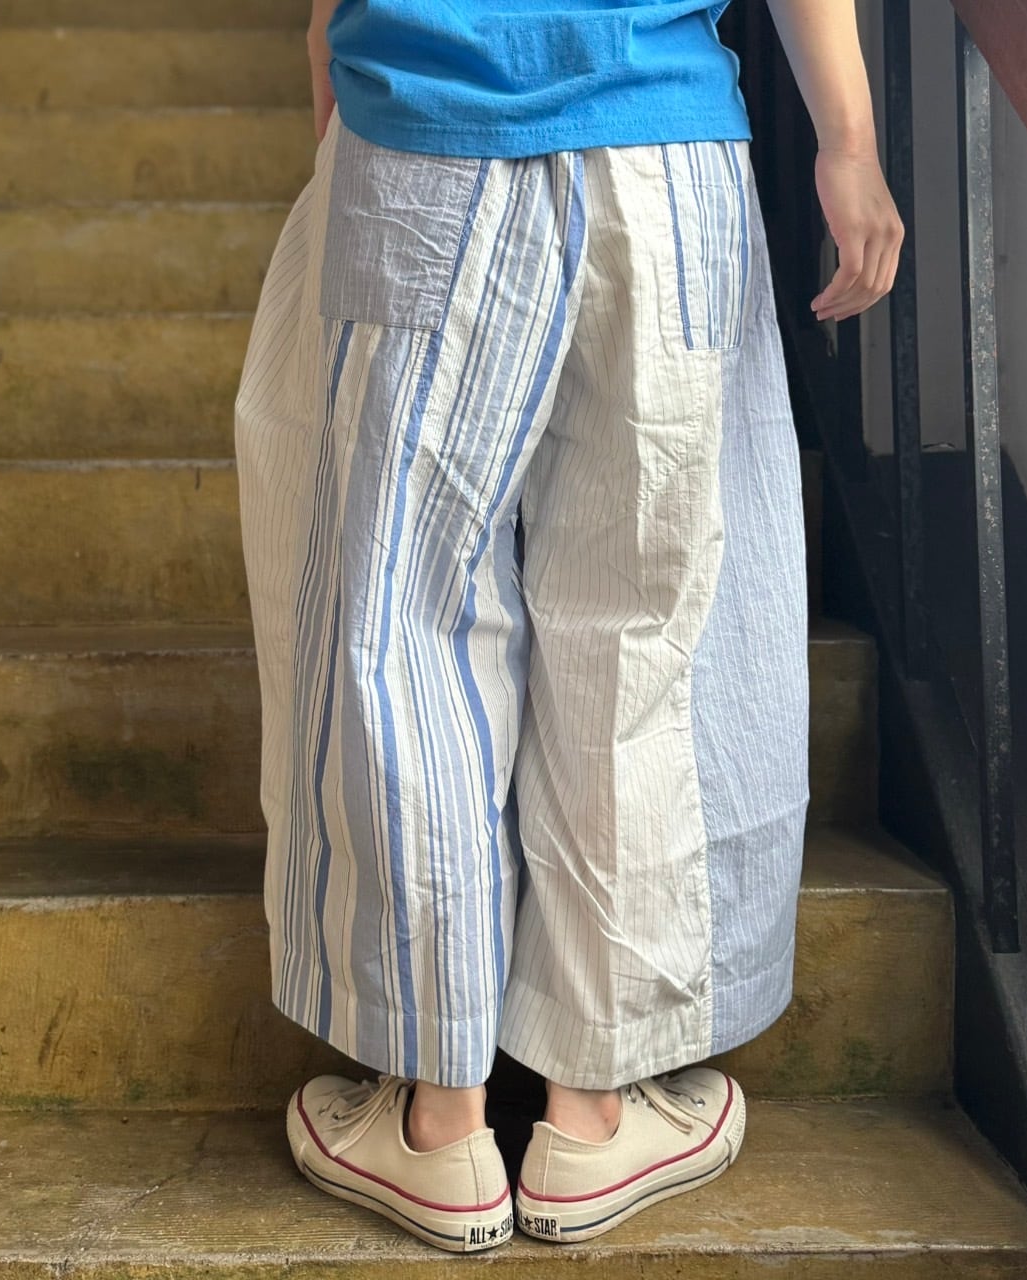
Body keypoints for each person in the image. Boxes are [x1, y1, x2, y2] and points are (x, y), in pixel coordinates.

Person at [234, 0, 903, 1253]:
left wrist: (328, 65)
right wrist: (848, 142)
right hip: (660, 150)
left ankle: (438, 1122)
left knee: (403, 631)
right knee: (636, 631)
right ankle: (590, 1114)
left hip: (421, 128)